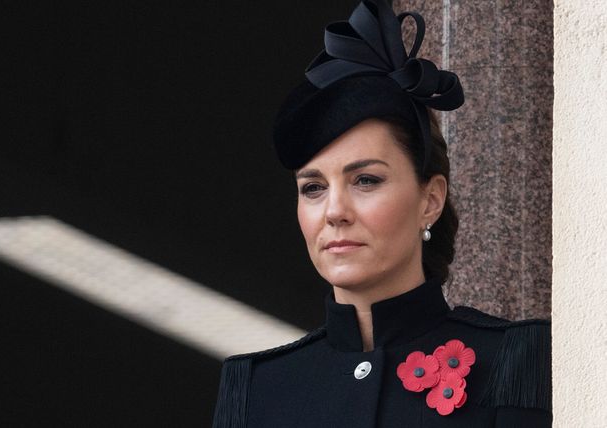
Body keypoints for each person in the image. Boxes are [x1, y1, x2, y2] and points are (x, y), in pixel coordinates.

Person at [212, 1, 552, 427]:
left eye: (366, 180)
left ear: (430, 200)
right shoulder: (257, 388)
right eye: (313, 188)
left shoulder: (515, 359)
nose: (335, 211)